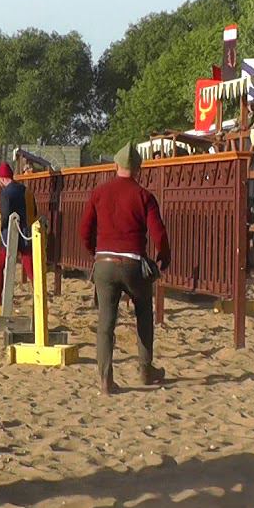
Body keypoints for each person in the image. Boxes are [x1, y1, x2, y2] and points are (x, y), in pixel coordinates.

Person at [79, 143, 170, 396]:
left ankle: (105, 379)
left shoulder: (99, 193)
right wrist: (163, 257)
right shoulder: (144, 196)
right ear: (139, 169)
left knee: (106, 322)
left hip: (104, 263)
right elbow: (159, 234)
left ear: (115, 166)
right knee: (144, 312)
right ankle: (145, 369)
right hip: (133, 264)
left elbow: (84, 230)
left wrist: (95, 253)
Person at [0, 162, 33, 301]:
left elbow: (5, 216)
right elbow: (33, 210)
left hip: (8, 235)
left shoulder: (5, 193)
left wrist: (1, 227)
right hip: (26, 233)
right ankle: (39, 296)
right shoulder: (25, 190)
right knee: (31, 268)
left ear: (3, 178)